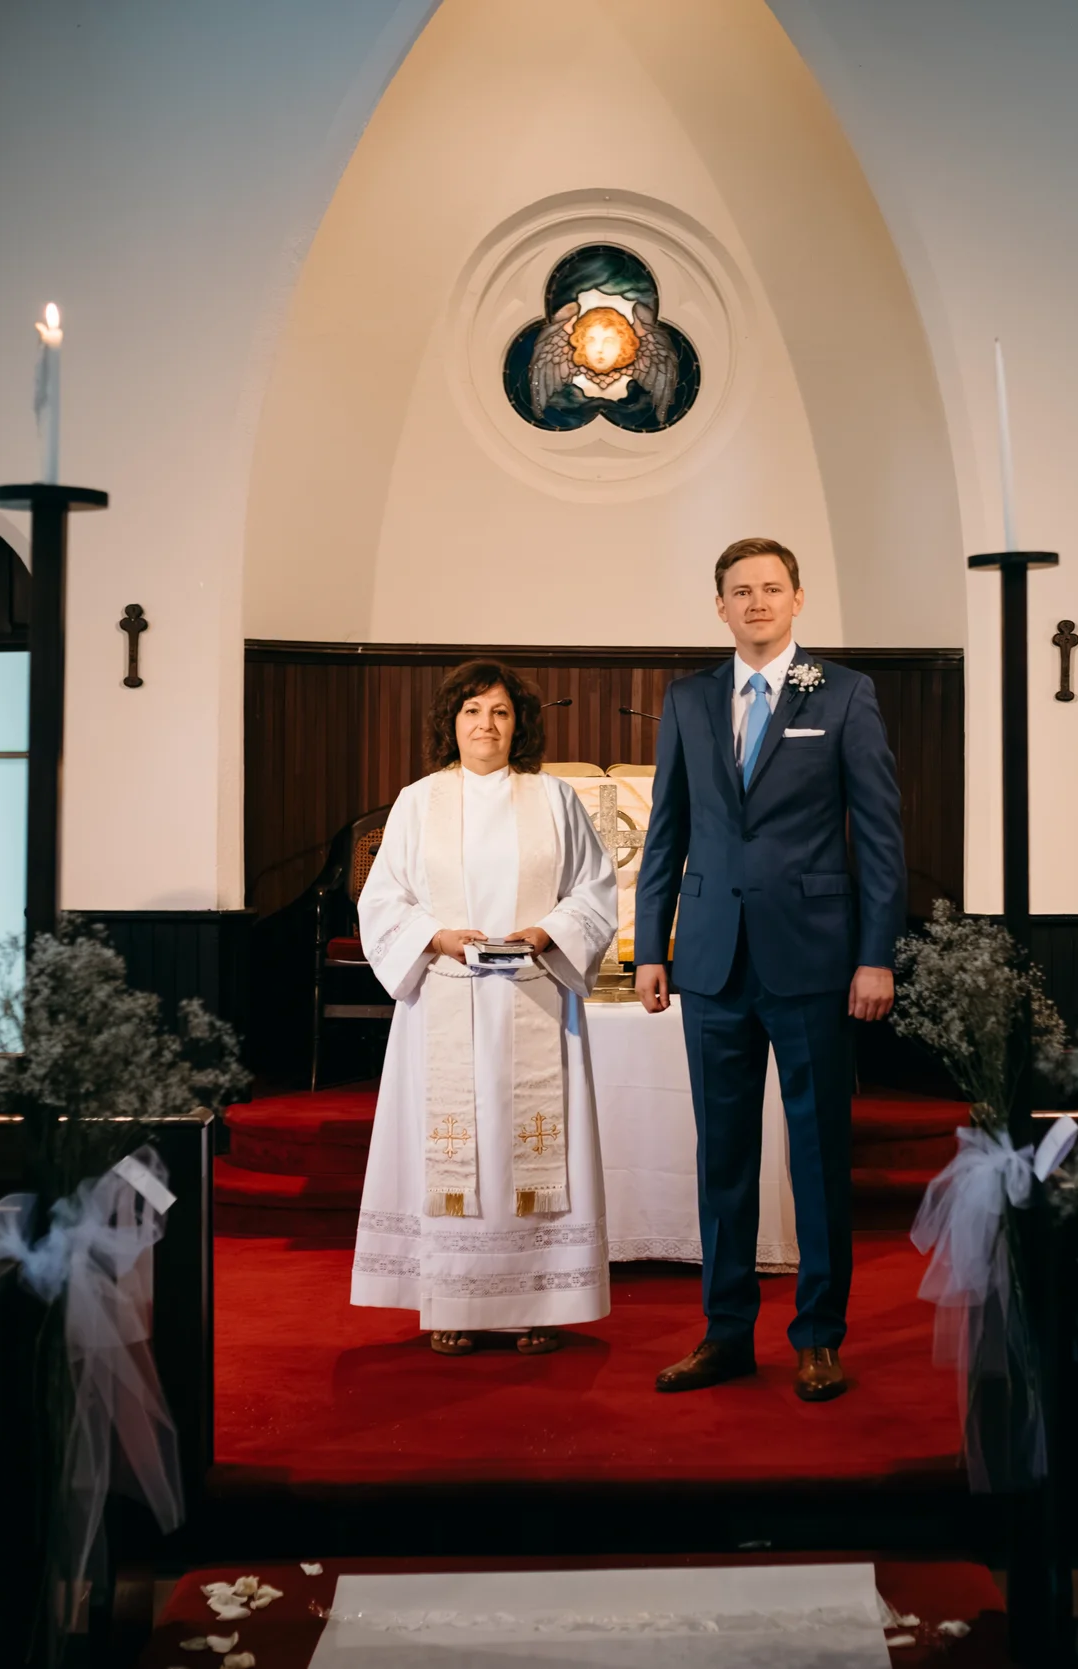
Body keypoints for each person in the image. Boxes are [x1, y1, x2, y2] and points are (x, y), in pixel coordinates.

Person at [631, 536, 906, 1402]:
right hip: (711, 960)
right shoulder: (688, 700)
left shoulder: (846, 694)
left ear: (797, 600)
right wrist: (650, 946)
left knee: (819, 1158)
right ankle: (725, 1335)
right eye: (739, 590)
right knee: (723, 1160)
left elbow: (882, 839)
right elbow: (665, 831)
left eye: (771, 588)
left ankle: (819, 1336)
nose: (756, 602)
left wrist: (875, 956)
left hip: (816, 958)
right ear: (719, 606)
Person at [350, 660, 618, 1355]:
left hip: (533, 994)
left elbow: (593, 890)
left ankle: (537, 1302)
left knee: (527, 1148)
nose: (486, 725)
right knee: (455, 1156)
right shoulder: (418, 801)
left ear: (518, 723)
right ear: (453, 722)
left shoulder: (554, 798)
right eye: (472, 711)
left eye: (500, 712)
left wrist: (546, 932)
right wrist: (434, 935)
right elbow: (381, 900)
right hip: (445, 998)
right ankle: (452, 1300)